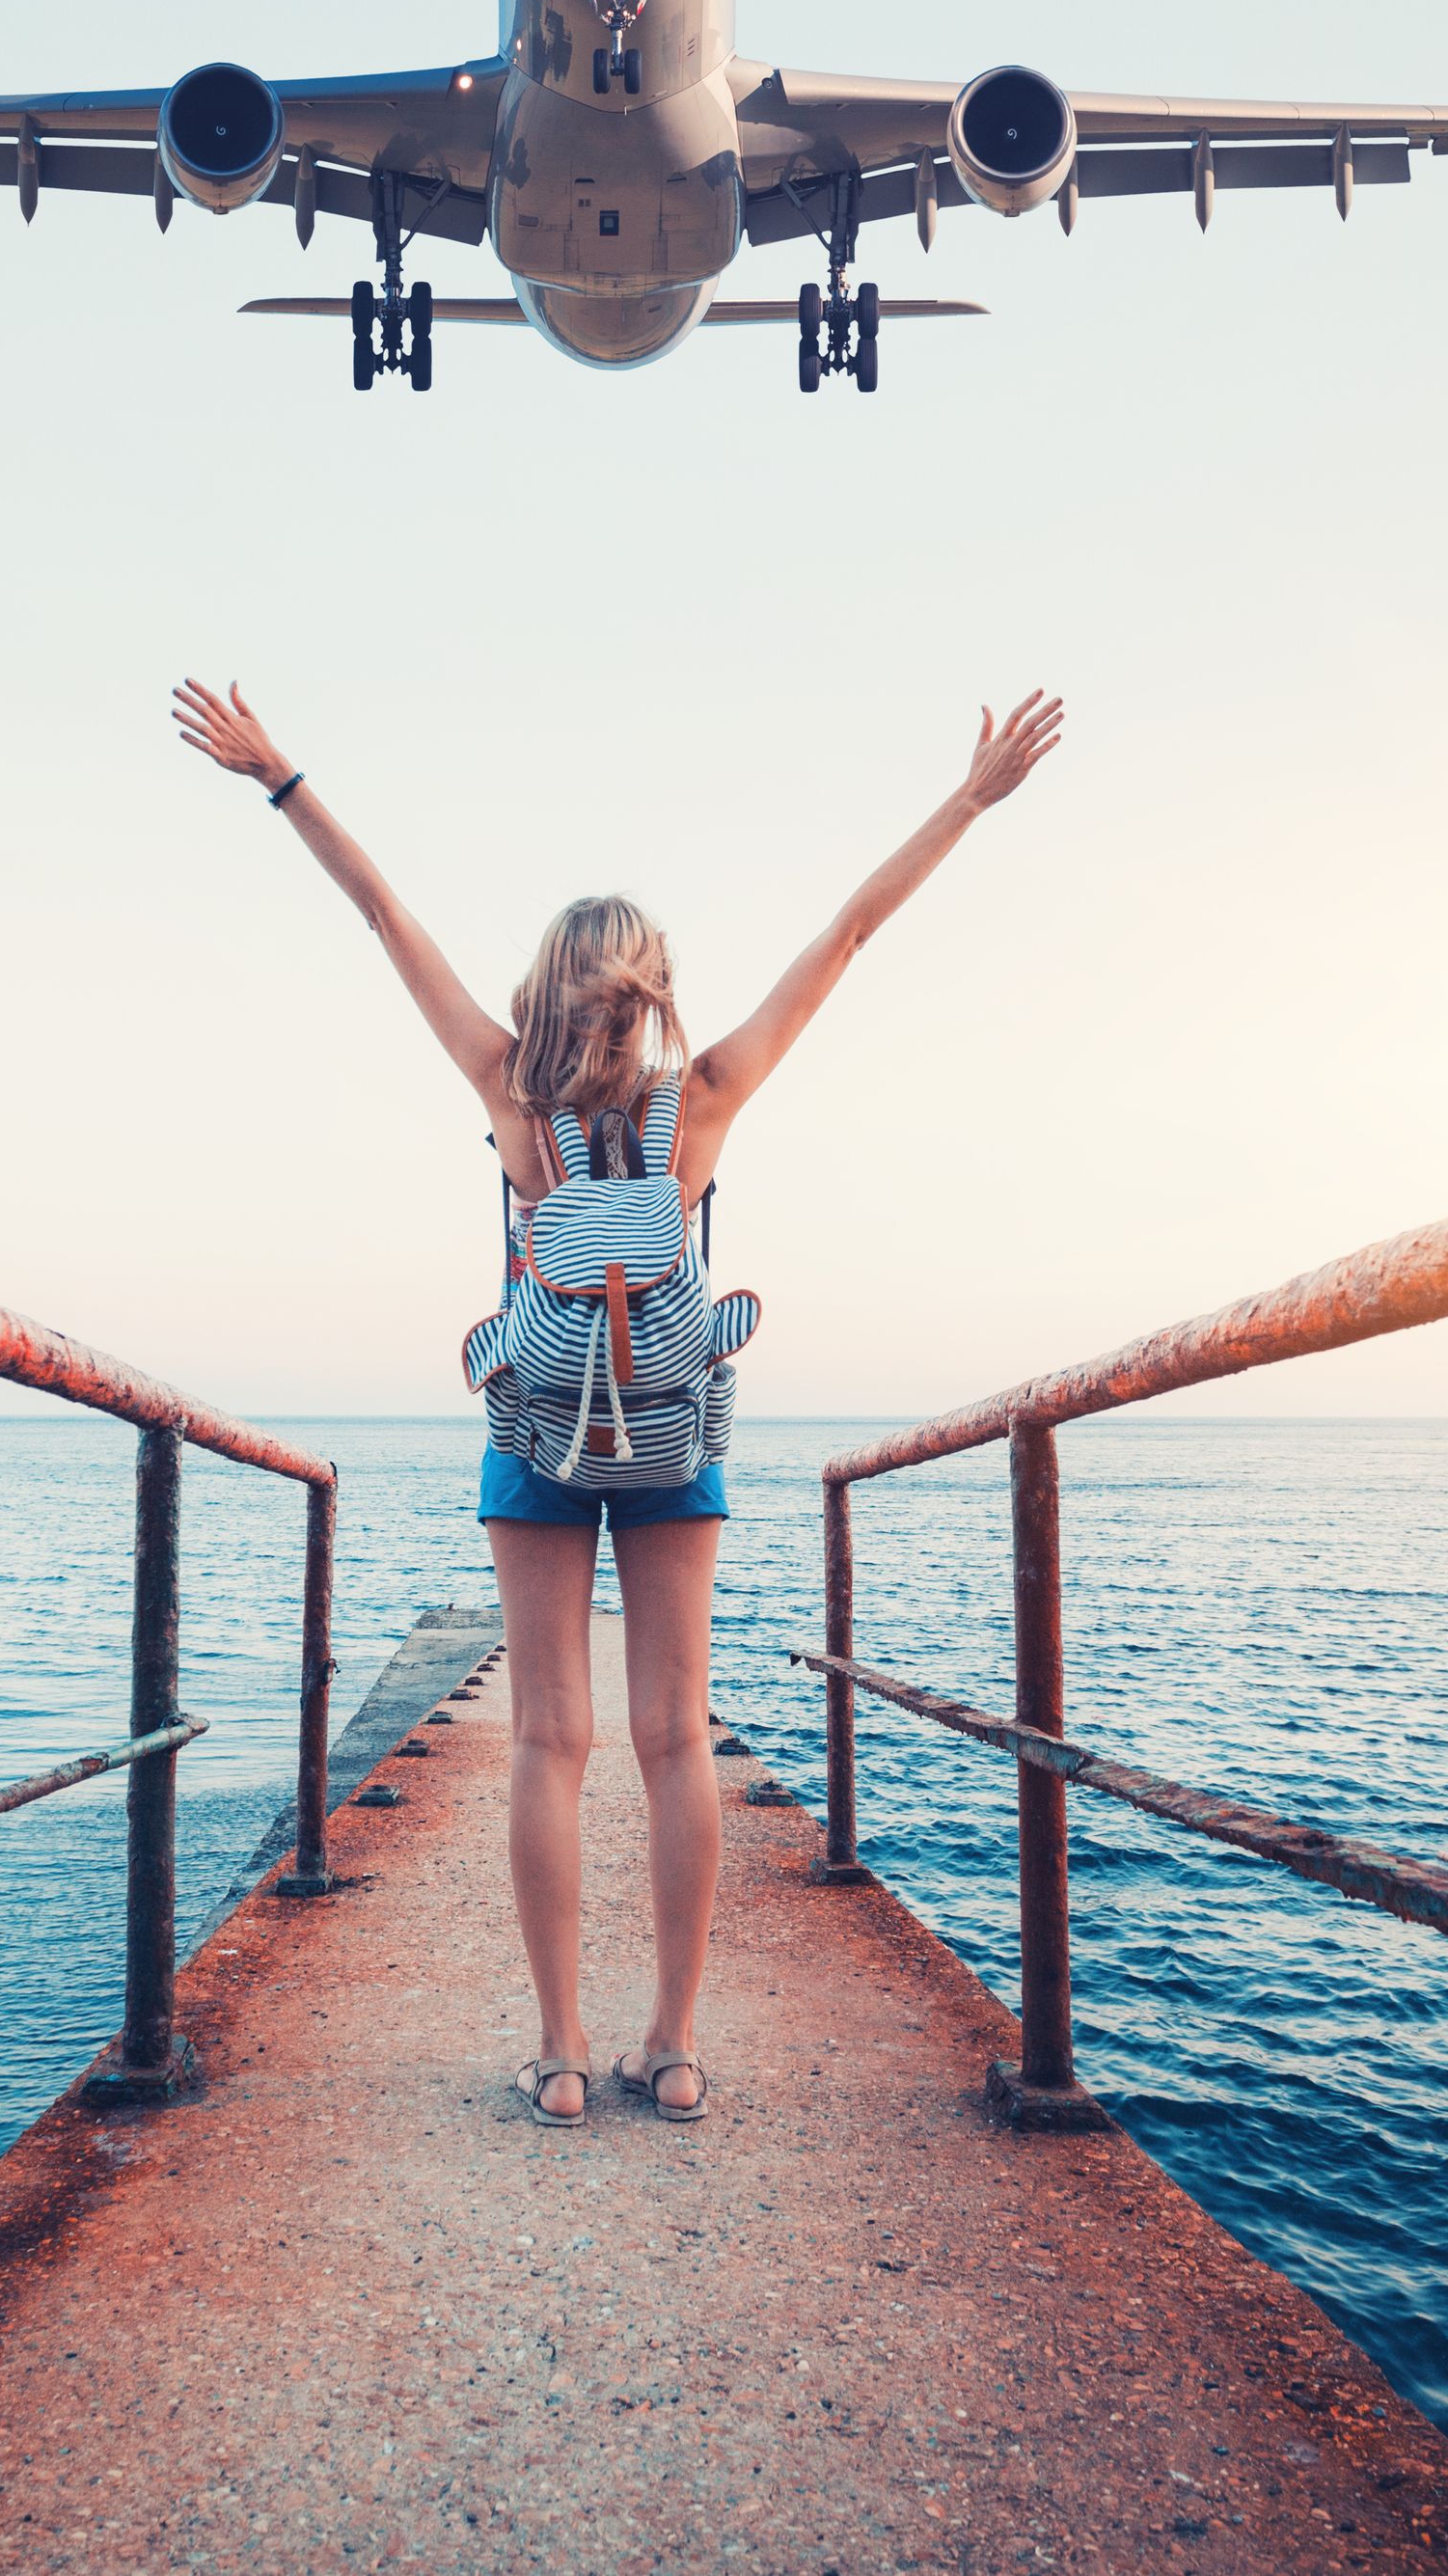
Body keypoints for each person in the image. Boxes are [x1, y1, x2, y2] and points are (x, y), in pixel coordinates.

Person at [173, 677, 1064, 2125]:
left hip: (533, 1436)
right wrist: (968, 799)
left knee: (545, 1739)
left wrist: (283, 779)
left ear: (544, 982)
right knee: (676, 1734)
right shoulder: (701, 1099)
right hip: (670, 1436)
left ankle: (565, 2049)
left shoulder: (510, 1098)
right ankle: (678, 2042)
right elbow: (846, 934)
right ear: (652, 985)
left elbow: (383, 918)